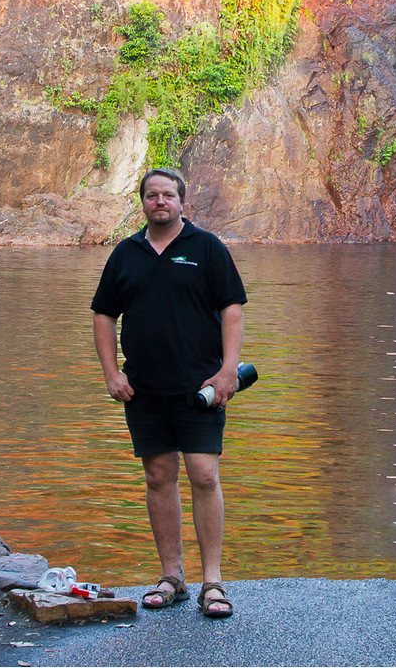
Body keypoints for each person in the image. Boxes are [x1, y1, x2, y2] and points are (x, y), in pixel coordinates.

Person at [91, 168, 246, 618]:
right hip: (143, 387)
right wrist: (110, 374)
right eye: (152, 195)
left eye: (168, 195)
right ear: (143, 202)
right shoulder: (126, 253)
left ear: (182, 202)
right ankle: (172, 576)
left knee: (203, 474)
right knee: (159, 477)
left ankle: (212, 582)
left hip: (200, 386)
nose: (160, 202)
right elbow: (104, 316)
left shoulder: (207, 248)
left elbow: (231, 309)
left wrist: (226, 371)